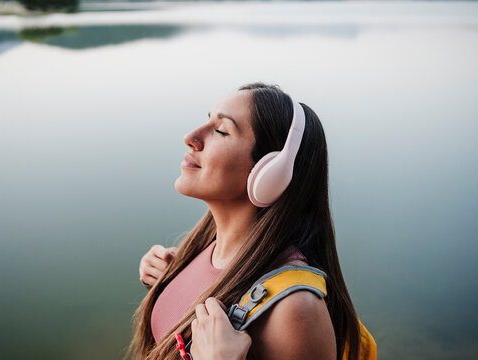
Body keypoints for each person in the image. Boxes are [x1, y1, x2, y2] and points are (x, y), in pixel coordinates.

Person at [127, 83, 363, 360]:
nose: (190, 137)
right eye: (207, 120)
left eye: (221, 131)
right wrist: (169, 277)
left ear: (269, 172)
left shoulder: (296, 310)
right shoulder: (206, 247)